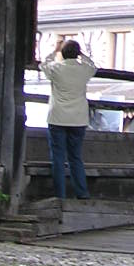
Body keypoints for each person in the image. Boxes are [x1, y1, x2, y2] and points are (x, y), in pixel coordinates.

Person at [41, 37, 95, 200]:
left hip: (57, 117)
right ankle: (82, 193)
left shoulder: (56, 68)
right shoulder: (84, 70)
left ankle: (60, 195)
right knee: (75, 157)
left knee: (58, 158)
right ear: (77, 54)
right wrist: (81, 55)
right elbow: (93, 66)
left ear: (62, 54)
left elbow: (43, 64)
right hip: (78, 119)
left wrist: (55, 51)